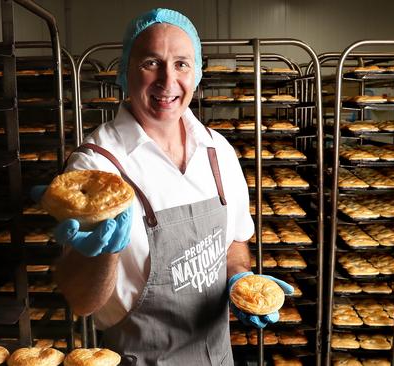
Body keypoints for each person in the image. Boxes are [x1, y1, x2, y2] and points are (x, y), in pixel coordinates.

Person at [38, 8, 293, 365]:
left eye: (182, 64)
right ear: (126, 71)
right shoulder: (98, 167)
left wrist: (239, 279)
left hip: (217, 357)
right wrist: (105, 253)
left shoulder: (217, 151)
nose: (167, 80)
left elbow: (234, 244)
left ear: (197, 73)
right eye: (151, 63)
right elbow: (82, 301)